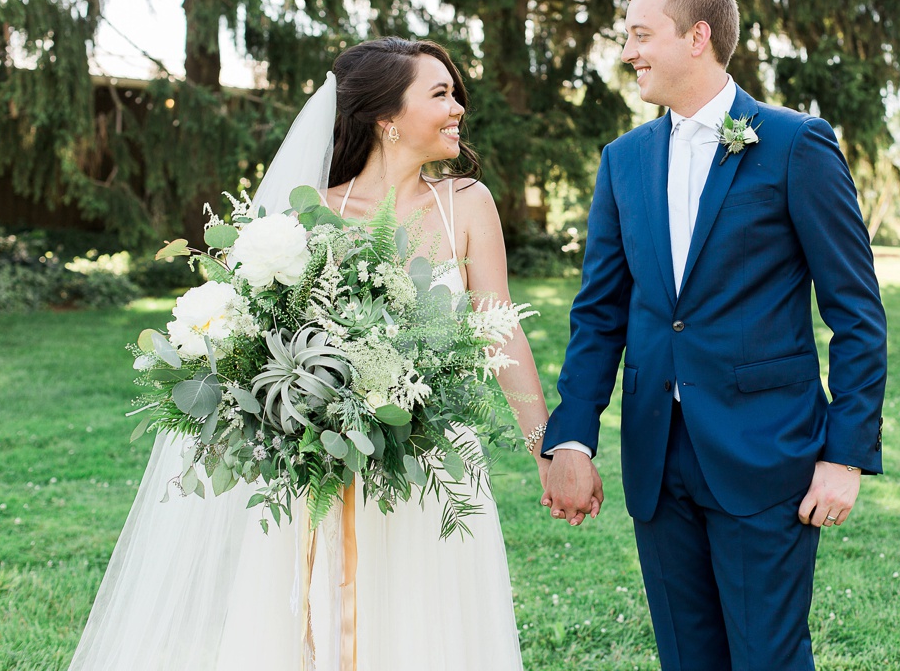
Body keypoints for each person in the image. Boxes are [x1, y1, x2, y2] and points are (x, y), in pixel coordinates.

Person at [69, 38, 550, 671]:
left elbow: (502, 329)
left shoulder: (466, 203)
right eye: (440, 94)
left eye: (454, 92)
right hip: (321, 467)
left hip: (435, 465)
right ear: (387, 118)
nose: (458, 106)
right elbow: (255, 337)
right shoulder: (308, 212)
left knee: (432, 629)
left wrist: (548, 446)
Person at [541, 0, 887, 670]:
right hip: (656, 456)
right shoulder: (623, 160)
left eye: (641, 34)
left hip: (766, 454)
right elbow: (601, 312)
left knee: (767, 658)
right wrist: (572, 437)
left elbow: (856, 312)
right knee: (686, 658)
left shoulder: (796, 145)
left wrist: (845, 454)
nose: (629, 51)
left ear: (697, 37)